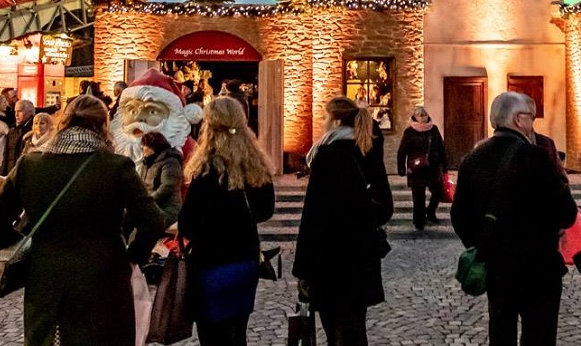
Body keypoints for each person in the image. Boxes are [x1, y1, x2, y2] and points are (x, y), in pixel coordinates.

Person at [0, 94, 165, 346]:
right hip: (104, 275)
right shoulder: (116, 167)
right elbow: (152, 221)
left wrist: (23, 249)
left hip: (46, 273)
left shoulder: (30, 165)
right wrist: (132, 259)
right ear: (103, 126)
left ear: (63, 123)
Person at [452, 92, 577, 346]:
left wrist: (483, 244)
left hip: (496, 267)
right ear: (519, 119)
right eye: (531, 116)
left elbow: (459, 215)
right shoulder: (536, 156)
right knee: (538, 336)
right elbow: (566, 212)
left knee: (501, 334)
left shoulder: (472, 158)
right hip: (538, 268)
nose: (533, 122)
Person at [294, 97, 394, 346]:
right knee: (355, 327)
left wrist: (303, 269)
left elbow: (313, 217)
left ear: (335, 120)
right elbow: (386, 207)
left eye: (325, 117)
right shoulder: (366, 148)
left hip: (330, 258)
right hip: (361, 255)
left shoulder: (326, 155)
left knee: (336, 330)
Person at [176, 96, 275, 345]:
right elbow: (265, 210)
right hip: (244, 260)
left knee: (211, 336)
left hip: (210, 262)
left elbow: (188, 222)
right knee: (236, 333)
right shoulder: (255, 164)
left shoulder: (207, 169)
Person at [395, 105, 448, 230]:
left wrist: (444, 166)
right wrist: (401, 168)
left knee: (438, 192)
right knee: (418, 197)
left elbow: (441, 148)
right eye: (420, 115)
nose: (423, 117)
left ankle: (430, 212)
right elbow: (402, 151)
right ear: (415, 117)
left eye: (424, 114)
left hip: (433, 167)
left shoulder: (433, 129)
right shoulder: (409, 132)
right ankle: (419, 220)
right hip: (417, 169)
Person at [138, 130, 184, 223]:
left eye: (145, 145)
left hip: (167, 210)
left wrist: (147, 203)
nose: (142, 148)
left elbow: (167, 186)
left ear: (153, 147)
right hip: (151, 207)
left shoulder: (171, 161)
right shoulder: (146, 163)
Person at [4, 100, 36, 173]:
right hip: (11, 171)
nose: (16, 114)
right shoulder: (12, 131)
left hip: (25, 172)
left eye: (20, 111)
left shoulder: (34, 131)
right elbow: (6, 156)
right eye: (15, 111)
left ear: (29, 112)